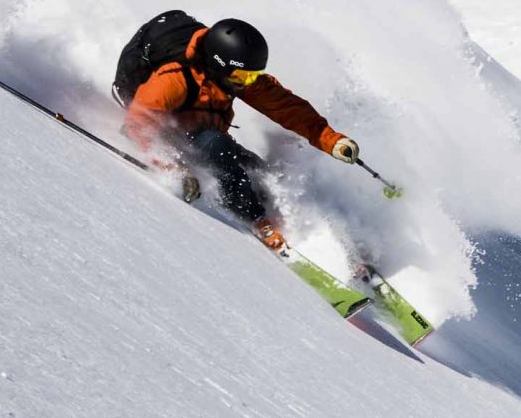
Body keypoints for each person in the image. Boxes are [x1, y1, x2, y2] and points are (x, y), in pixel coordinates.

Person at [117, 15, 360, 252]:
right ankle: (257, 220)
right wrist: (173, 168)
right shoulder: (174, 78)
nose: (248, 82)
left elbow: (287, 108)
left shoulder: (231, 78)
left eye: (253, 76)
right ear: (218, 64)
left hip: (208, 135)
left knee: (256, 169)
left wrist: (331, 140)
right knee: (217, 149)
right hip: (173, 137)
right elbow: (138, 124)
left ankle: (305, 227)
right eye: (243, 76)